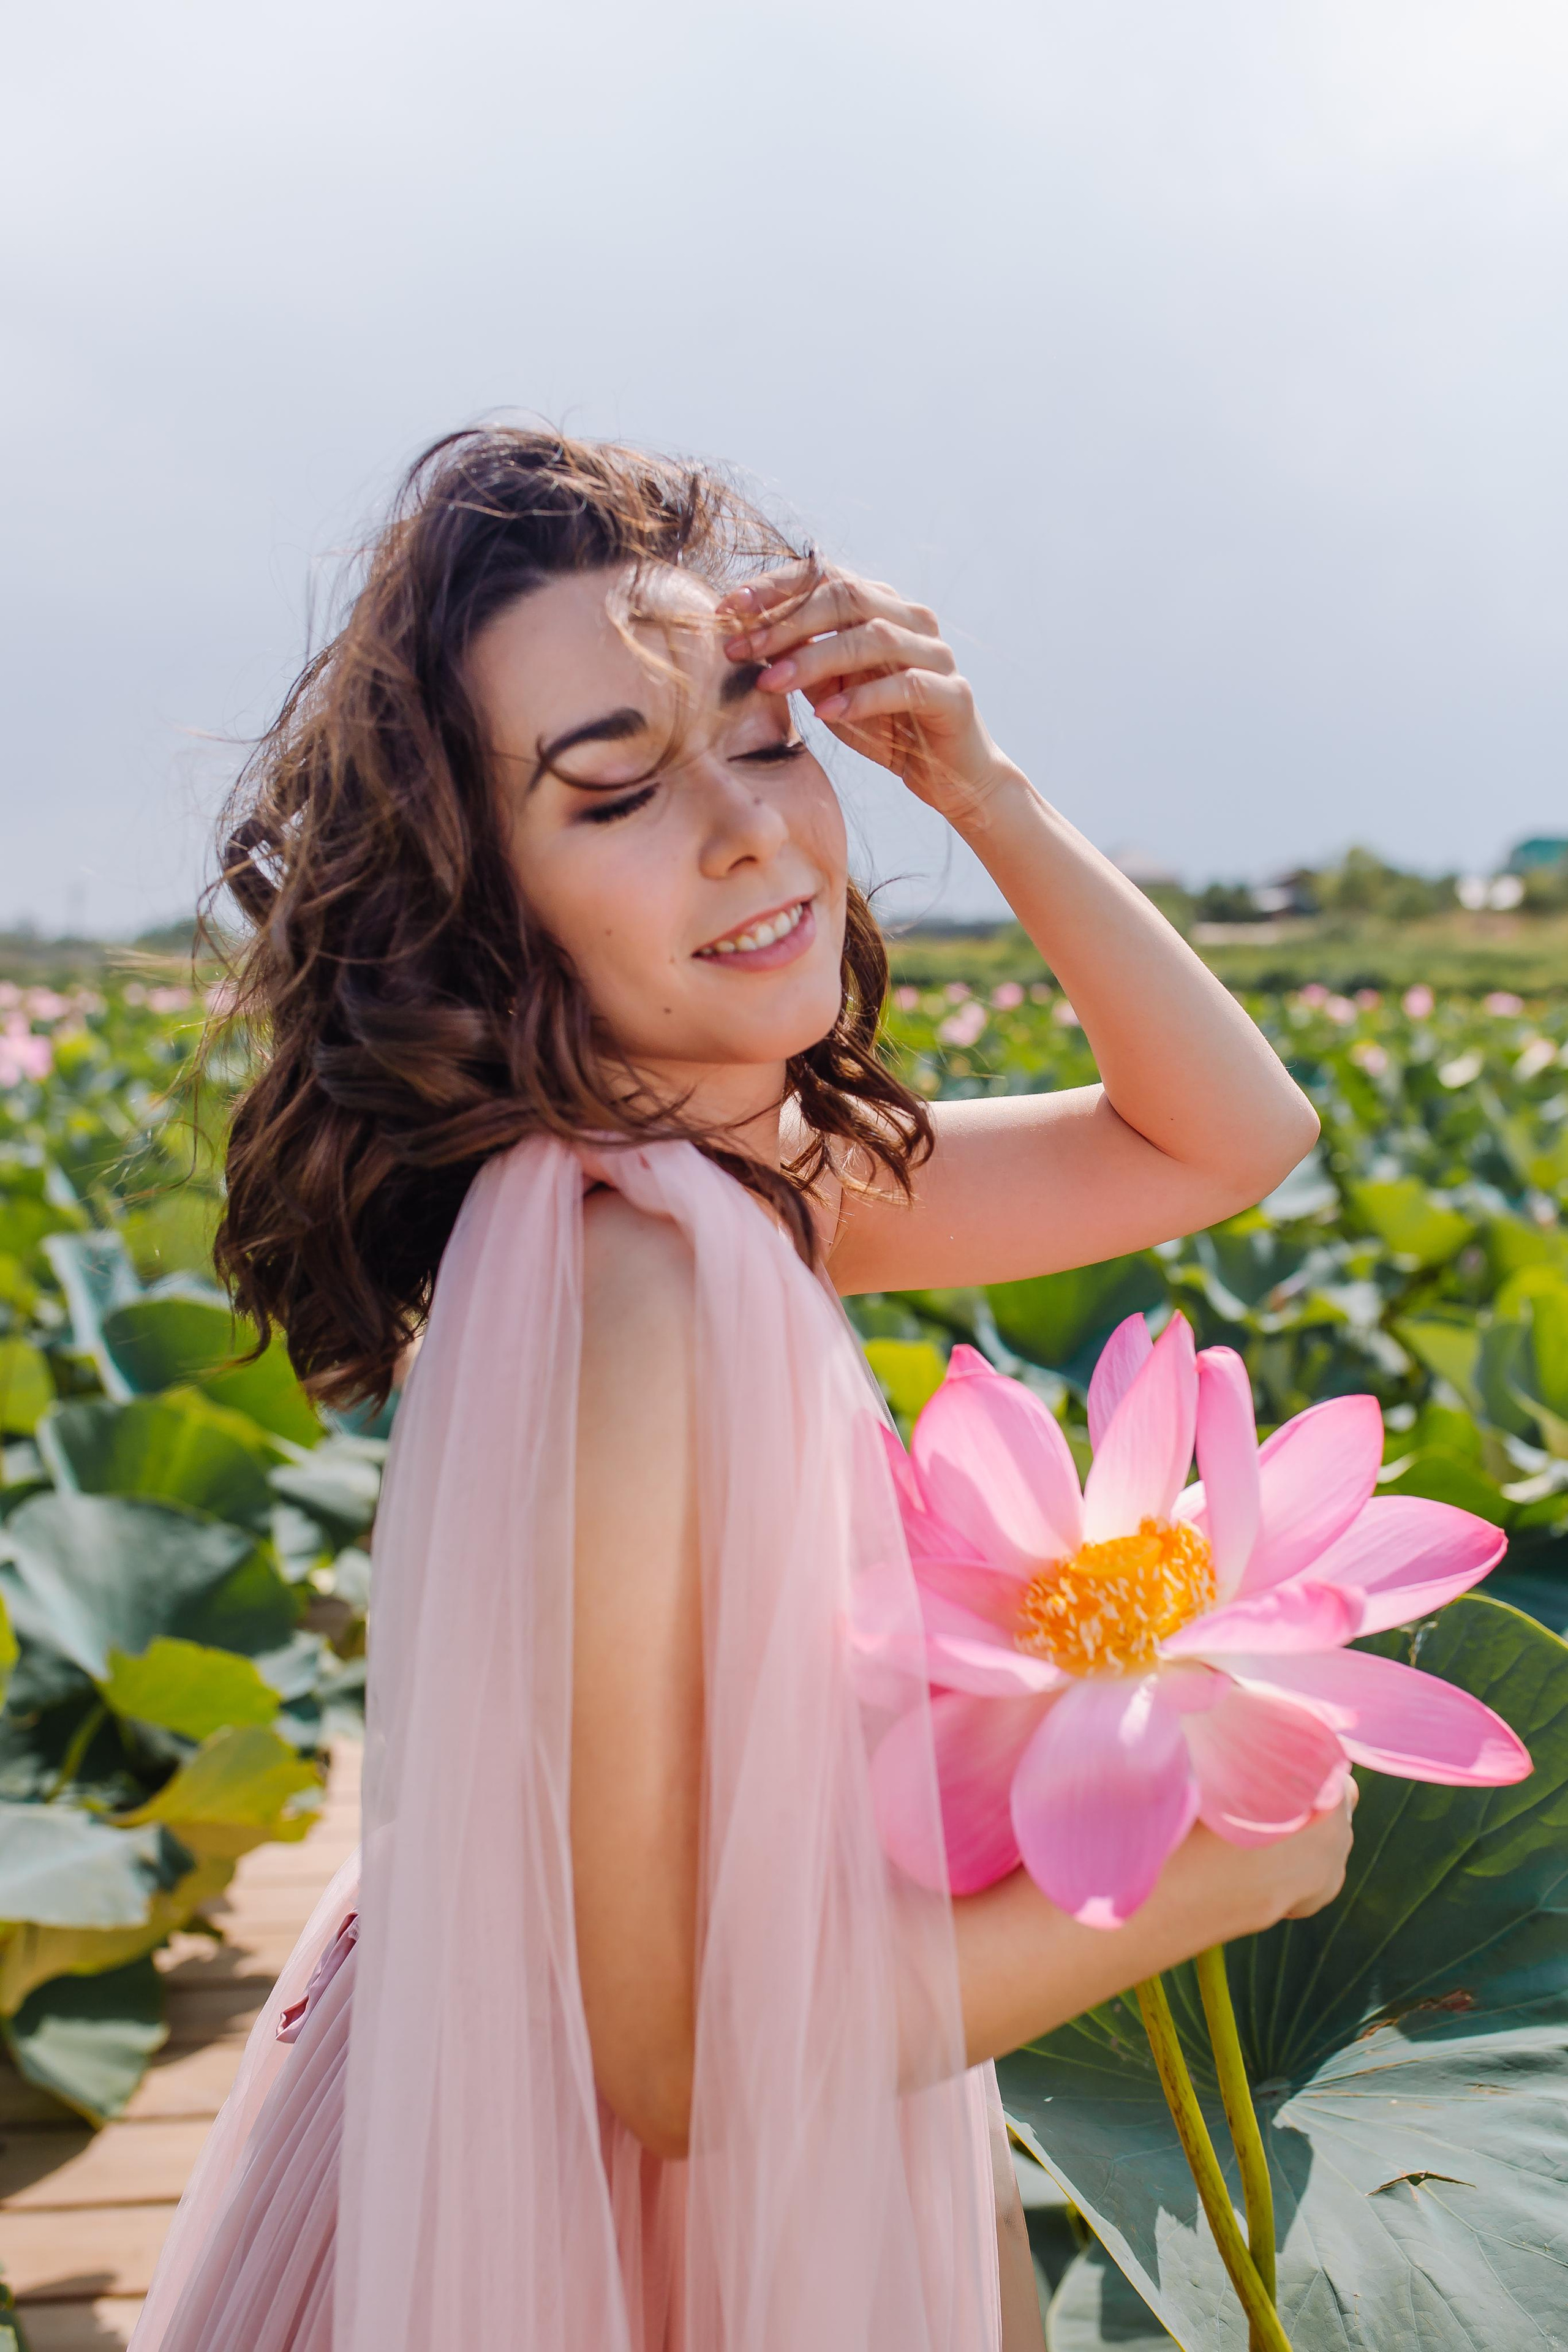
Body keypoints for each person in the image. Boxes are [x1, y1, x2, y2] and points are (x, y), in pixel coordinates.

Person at [129, 428, 1353, 2352]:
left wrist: (986, 787)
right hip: (616, 2235)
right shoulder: (643, 1292)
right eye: (613, 789)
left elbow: (1224, 1136)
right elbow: (679, 2062)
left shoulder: (739, 1186)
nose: (752, 833)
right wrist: (1219, 1881)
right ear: (484, 895)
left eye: (770, 740)